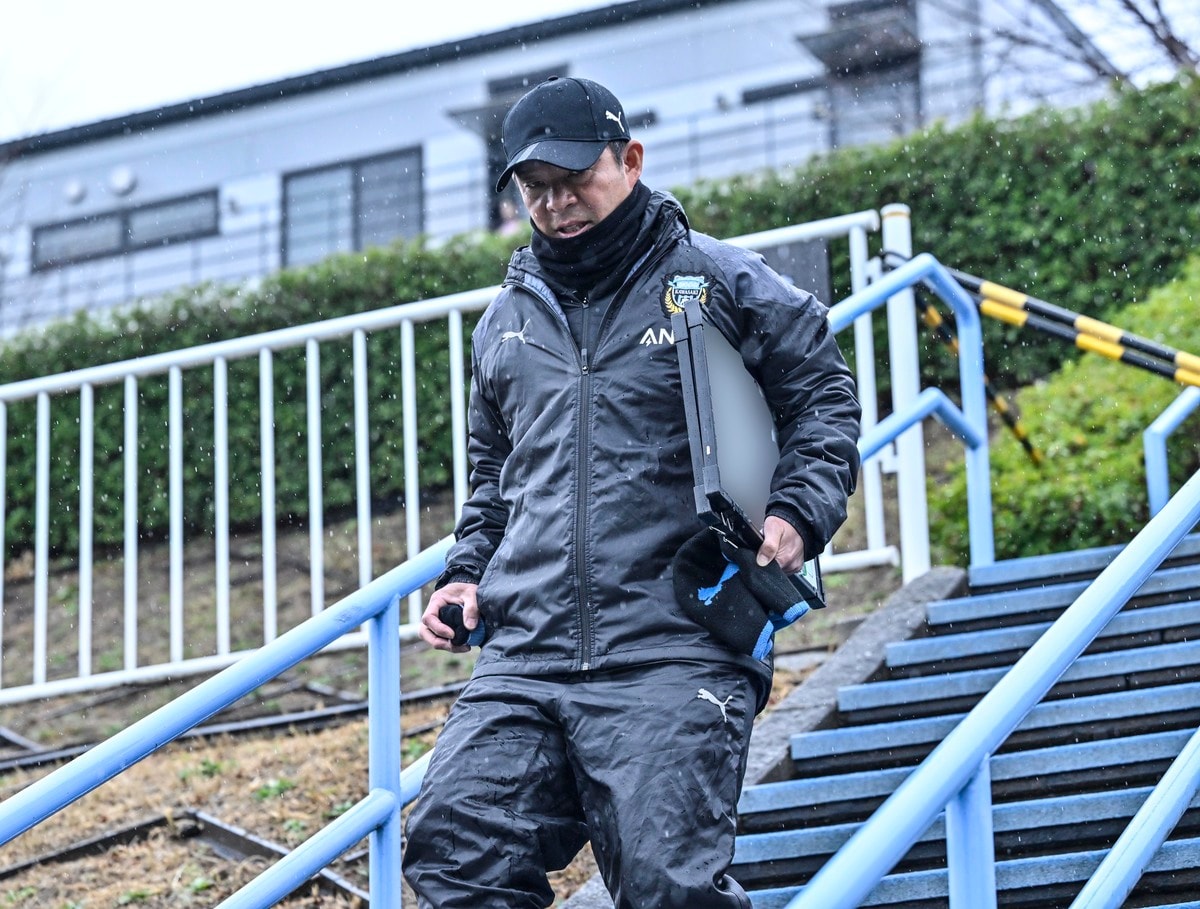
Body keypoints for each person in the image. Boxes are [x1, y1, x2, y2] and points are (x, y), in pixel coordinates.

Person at [403, 75, 861, 908]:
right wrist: (466, 572)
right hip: (526, 654)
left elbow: (822, 395)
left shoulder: (718, 279)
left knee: (666, 887)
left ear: (632, 160)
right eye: (535, 188)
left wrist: (799, 509)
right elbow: (494, 476)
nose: (557, 203)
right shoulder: (503, 322)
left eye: (575, 178)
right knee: (453, 852)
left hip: (676, 639)